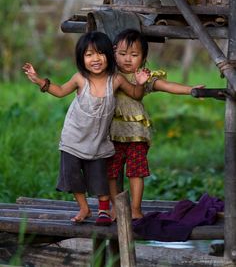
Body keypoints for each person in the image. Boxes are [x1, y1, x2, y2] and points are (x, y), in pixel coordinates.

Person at [22, 31, 150, 226]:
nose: (95, 59)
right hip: (73, 138)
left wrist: (140, 84)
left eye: (100, 53)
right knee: (72, 174)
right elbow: (60, 91)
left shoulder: (115, 80)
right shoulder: (80, 79)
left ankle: (103, 211)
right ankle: (83, 207)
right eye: (89, 55)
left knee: (100, 175)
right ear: (82, 58)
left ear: (109, 54)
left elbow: (135, 94)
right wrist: (40, 81)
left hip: (98, 140)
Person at [107, 29, 204, 220]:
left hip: (137, 134)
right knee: (111, 172)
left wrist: (190, 90)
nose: (128, 59)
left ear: (143, 58)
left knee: (136, 173)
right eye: (123, 54)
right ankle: (115, 207)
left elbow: (167, 86)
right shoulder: (109, 75)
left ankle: (135, 208)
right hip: (112, 134)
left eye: (134, 55)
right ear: (113, 53)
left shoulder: (142, 77)